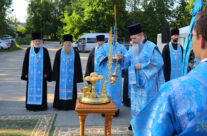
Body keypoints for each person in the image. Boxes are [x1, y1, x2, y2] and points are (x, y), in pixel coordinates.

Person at [131, 15, 207, 136]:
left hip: (150, 82)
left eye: (192, 36)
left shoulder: (172, 91)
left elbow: (159, 63)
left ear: (201, 41)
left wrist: (143, 66)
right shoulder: (137, 49)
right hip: (138, 83)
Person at [117, 23, 165, 130]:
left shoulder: (151, 47)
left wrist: (142, 66)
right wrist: (121, 58)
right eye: (131, 38)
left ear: (141, 35)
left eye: (134, 38)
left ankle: (147, 126)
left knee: (146, 105)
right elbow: (127, 60)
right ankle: (136, 124)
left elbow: (159, 62)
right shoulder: (133, 48)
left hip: (148, 84)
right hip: (136, 85)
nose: (132, 41)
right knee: (135, 105)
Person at [97, 33, 127, 117]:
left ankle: (115, 109)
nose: (113, 37)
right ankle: (104, 109)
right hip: (106, 73)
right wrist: (107, 58)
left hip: (116, 74)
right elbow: (98, 56)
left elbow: (127, 57)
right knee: (106, 90)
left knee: (115, 91)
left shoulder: (121, 47)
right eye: (111, 36)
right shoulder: (103, 46)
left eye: (115, 36)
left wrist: (121, 57)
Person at [21, 32, 52, 111]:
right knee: (31, 89)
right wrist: (25, 73)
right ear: (33, 42)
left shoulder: (44, 50)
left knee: (42, 90)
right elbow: (25, 62)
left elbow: (47, 63)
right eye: (36, 41)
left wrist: (46, 73)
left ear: (41, 41)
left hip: (41, 76)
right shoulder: (29, 50)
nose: (37, 42)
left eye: (39, 41)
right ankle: (30, 106)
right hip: (31, 76)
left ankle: (42, 106)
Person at [52, 34, 83, 110]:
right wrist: (55, 76)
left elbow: (78, 66)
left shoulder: (75, 53)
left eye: (69, 42)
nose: (68, 44)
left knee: (72, 92)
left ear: (71, 43)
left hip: (71, 78)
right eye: (66, 42)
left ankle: (72, 105)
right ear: (64, 43)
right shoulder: (59, 52)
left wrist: (77, 77)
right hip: (61, 78)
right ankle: (59, 105)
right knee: (60, 91)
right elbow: (56, 65)